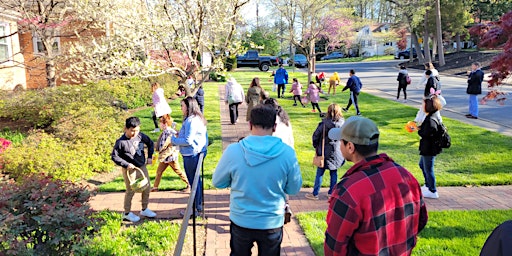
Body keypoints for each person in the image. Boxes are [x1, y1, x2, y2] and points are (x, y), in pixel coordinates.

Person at [324, 116, 428, 255]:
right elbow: (421, 220)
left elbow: (334, 248)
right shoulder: (406, 176)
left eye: (341, 141)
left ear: (350, 147)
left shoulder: (347, 191)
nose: (339, 145)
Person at [212, 104, 303, 255]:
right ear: (274, 127)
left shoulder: (233, 151)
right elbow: (293, 189)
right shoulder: (287, 154)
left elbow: (218, 182)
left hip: (241, 218)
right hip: (271, 220)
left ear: (250, 124)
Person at [111, 116, 157, 222]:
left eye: (137, 130)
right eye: (132, 131)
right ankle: (127, 213)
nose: (134, 133)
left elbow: (150, 143)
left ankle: (144, 209)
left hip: (141, 166)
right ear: (126, 129)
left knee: (146, 187)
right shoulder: (121, 142)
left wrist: (150, 156)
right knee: (130, 190)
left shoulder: (140, 136)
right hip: (129, 170)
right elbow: (114, 156)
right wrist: (126, 164)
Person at [172, 97, 208, 216]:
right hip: (197, 151)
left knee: (194, 182)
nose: (181, 108)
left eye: (182, 106)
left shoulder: (191, 120)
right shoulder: (197, 118)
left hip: (192, 154)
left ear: (188, 107)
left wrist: (173, 140)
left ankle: (195, 209)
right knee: (196, 181)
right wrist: (179, 134)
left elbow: (188, 140)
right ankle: (198, 205)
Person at [305, 103, 345, 200]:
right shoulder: (343, 124)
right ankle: (331, 192)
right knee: (334, 172)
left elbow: (315, 136)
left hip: (323, 150)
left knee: (320, 172)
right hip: (337, 151)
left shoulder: (324, 124)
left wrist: (316, 146)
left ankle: (315, 193)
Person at [152, 114, 190, 192]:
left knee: (178, 171)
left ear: (165, 124)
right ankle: (155, 188)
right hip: (165, 158)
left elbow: (172, 147)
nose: (160, 125)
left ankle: (190, 184)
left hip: (171, 157)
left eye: (161, 123)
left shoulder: (170, 132)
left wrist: (162, 156)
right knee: (159, 172)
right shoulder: (164, 132)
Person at [418, 94, 444, 199]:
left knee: (428, 168)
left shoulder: (431, 120)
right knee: (422, 165)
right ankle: (428, 184)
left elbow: (427, 133)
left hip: (429, 148)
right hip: (427, 147)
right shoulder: (431, 116)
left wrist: (420, 131)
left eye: (423, 104)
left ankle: (432, 190)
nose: (422, 106)